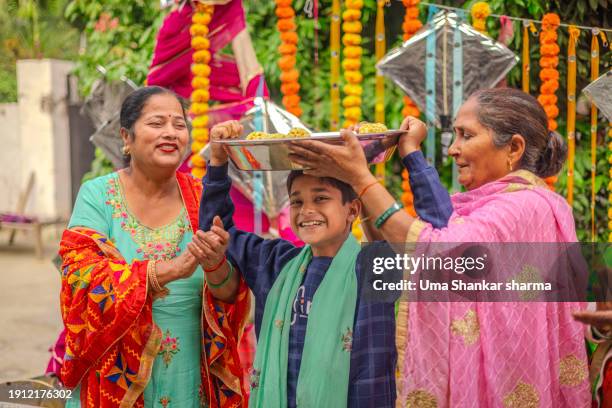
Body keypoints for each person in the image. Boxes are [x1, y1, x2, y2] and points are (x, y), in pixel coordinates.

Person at [287, 88, 591, 407]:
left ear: (514, 147)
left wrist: (362, 177)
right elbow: (403, 259)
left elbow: (440, 254)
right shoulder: (483, 208)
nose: (453, 150)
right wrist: (357, 182)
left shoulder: (524, 206)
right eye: (455, 136)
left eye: (466, 135)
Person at [188, 119, 446, 408]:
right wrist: (219, 161)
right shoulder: (274, 264)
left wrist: (410, 152)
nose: (307, 210)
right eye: (297, 201)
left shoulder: (374, 268)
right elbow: (218, 228)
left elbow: (440, 236)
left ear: (353, 210)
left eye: (321, 198)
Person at [59, 86, 250, 408]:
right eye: (157, 123)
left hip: (191, 374)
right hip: (116, 375)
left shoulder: (203, 196)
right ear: (126, 137)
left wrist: (217, 265)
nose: (171, 133)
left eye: (179, 124)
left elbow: (230, 294)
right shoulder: (98, 196)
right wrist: (169, 270)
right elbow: (79, 278)